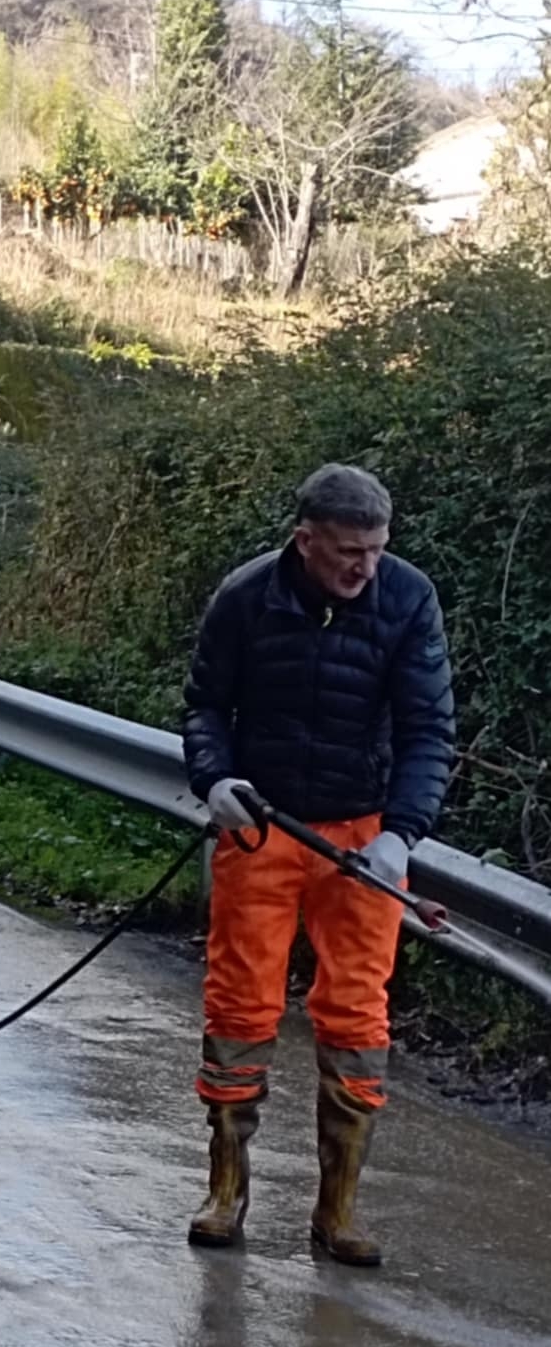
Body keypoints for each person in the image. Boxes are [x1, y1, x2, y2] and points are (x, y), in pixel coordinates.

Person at [183, 464, 454, 1266]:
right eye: (347, 553)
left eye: (375, 550)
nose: (363, 568)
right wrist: (214, 778)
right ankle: (226, 1190)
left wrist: (401, 832)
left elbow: (428, 730)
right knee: (240, 1001)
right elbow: (204, 705)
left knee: (357, 1012)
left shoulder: (407, 601)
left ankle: (338, 1211)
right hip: (262, 828)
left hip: (363, 838)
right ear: (305, 541)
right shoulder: (246, 597)